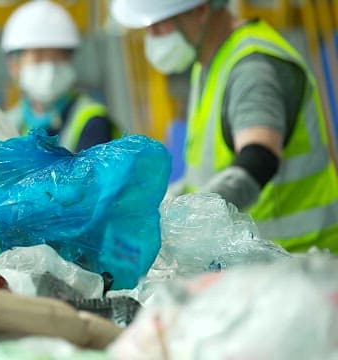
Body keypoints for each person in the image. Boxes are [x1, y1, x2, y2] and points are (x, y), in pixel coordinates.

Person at [111, 0, 338, 252]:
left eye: (159, 26)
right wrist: (166, 202)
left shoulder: (254, 68)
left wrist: (187, 219)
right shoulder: (210, 62)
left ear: (201, 10)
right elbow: (208, 170)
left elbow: (259, 159)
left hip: (299, 259)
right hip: (257, 261)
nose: (151, 38)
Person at [0, 0, 119, 153]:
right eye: (39, 57)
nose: (49, 67)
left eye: (58, 56)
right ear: (14, 65)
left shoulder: (93, 121)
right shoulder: (6, 123)